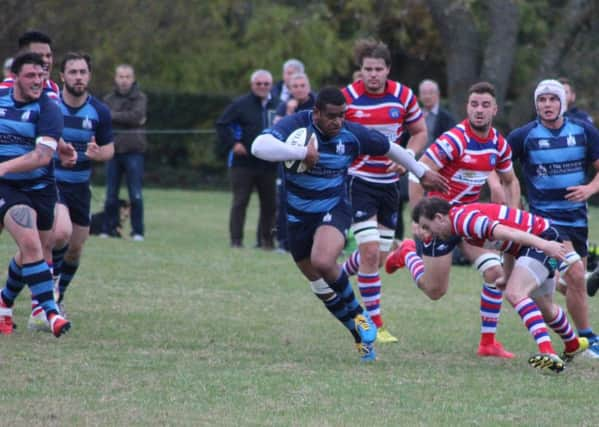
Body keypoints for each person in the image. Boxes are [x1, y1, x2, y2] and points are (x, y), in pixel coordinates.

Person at [251, 87, 448, 361]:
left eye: (342, 116)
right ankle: (359, 336)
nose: (337, 122)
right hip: (296, 216)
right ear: (316, 113)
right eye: (331, 116)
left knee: (322, 260)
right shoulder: (296, 124)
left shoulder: (352, 134)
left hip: (335, 207)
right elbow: (258, 147)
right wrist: (299, 152)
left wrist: (421, 171)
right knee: (320, 286)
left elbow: (391, 148)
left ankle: (360, 314)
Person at [385, 82, 522, 358]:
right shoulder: (455, 140)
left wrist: (513, 215)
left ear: (495, 109)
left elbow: (510, 180)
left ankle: (487, 343)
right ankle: (408, 252)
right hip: (440, 222)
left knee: (496, 274)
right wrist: (420, 221)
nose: (479, 110)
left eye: (485, 105)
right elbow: (415, 173)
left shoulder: (497, 142)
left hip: (469, 218)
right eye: (474, 104)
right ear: (467, 108)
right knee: (435, 291)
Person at [412, 197, 589, 372]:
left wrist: (544, 245)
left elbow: (507, 232)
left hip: (544, 243)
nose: (425, 233)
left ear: (439, 218)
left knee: (515, 293)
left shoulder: (465, 222)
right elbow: (508, 244)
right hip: (539, 245)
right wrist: (507, 273)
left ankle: (548, 353)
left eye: (426, 226)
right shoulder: (462, 224)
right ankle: (573, 344)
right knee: (545, 308)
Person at [340, 39, 428, 344]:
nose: (373, 74)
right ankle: (374, 325)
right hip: (358, 182)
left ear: (387, 69)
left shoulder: (403, 95)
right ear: (360, 70)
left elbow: (419, 133)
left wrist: (407, 159)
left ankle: (338, 275)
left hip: (389, 185)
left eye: (378, 69)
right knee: (370, 252)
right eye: (368, 69)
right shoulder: (347, 98)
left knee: (375, 258)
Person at [508, 79, 599, 358]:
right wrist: (513, 198)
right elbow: (498, 166)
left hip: (577, 220)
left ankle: (575, 337)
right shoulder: (523, 136)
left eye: (552, 99)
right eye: (542, 100)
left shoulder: (584, 131)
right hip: (543, 222)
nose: (547, 105)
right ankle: (587, 338)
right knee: (574, 273)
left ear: (563, 102)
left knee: (573, 282)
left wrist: (590, 188)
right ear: (536, 104)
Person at [0, 52, 74, 337]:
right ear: (15, 76)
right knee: (31, 245)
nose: (38, 81)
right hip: (8, 187)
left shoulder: (49, 107)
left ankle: (5, 300)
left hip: (41, 187)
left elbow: (43, 156)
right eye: (31, 75)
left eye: (42, 76)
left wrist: (3, 166)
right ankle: (51, 313)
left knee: (32, 252)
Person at [39, 53, 114, 325]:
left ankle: (57, 297)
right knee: (61, 233)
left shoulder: (99, 111)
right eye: (73, 72)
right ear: (62, 76)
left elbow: (109, 150)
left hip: (81, 187)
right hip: (53, 182)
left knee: (75, 248)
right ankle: (46, 301)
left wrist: (97, 154)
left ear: (89, 76)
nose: (78, 77)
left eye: (83, 72)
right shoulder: (50, 108)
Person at [216, 69, 279, 249]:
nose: (262, 87)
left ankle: (266, 242)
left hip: (269, 164)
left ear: (271, 85)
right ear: (252, 85)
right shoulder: (240, 104)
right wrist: (233, 143)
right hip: (243, 164)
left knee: (270, 204)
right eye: (259, 83)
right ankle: (236, 241)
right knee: (240, 202)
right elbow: (222, 124)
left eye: (266, 84)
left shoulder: (278, 104)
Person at [101, 64, 147, 241]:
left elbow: (136, 116)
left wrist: (114, 116)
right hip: (112, 152)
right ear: (115, 78)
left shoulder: (141, 98)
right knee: (111, 194)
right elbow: (104, 118)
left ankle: (138, 232)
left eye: (127, 76)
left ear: (133, 79)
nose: (124, 80)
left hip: (134, 152)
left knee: (135, 194)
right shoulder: (108, 98)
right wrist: (122, 118)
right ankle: (108, 229)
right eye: (121, 76)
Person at [273, 72, 316, 252]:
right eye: (295, 86)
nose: (299, 89)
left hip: (314, 159)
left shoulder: (318, 104)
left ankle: (316, 241)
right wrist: (289, 112)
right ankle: (284, 242)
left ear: (308, 86)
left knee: (315, 199)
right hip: (290, 161)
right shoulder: (285, 106)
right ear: (290, 89)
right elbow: (276, 129)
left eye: (302, 85)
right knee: (286, 199)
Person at [1, 31, 59, 101]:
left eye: (48, 56)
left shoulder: (53, 87)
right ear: (23, 57)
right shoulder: (4, 90)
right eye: (39, 56)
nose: (46, 60)